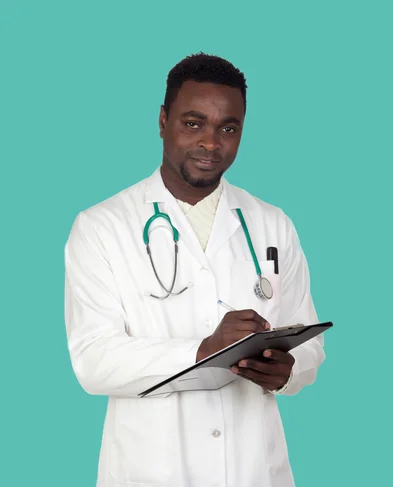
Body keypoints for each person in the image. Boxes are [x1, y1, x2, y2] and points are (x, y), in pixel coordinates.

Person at [64, 52, 326, 487]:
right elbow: (92, 360)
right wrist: (202, 352)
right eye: (193, 123)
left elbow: (310, 345)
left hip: (255, 471)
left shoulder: (272, 222)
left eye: (229, 128)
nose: (211, 142)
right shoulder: (100, 227)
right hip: (151, 472)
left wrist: (288, 369)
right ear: (163, 120)